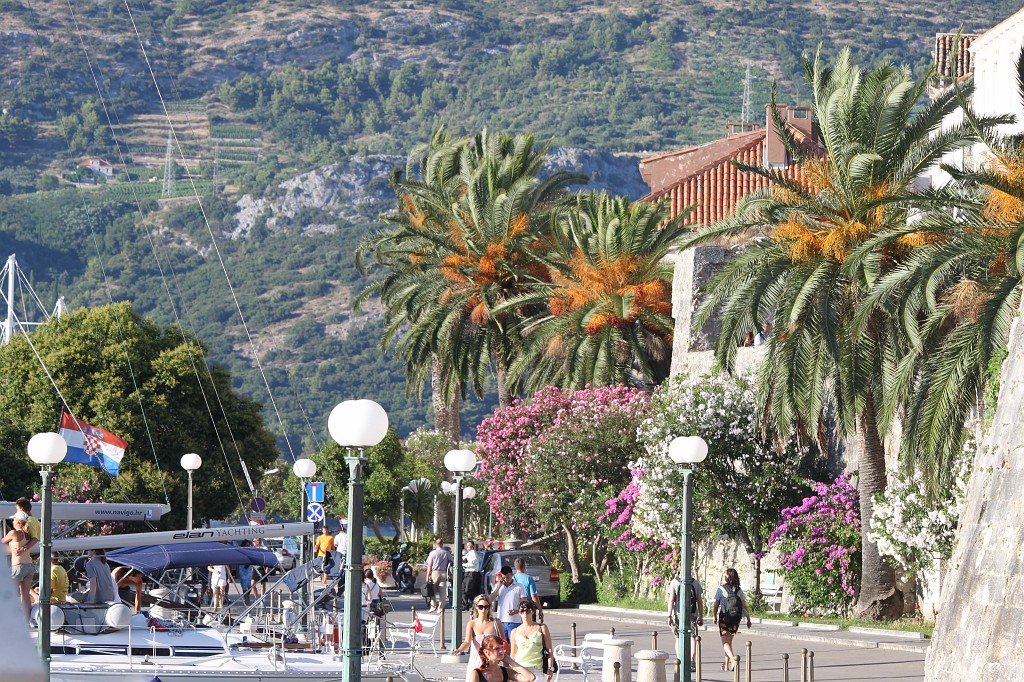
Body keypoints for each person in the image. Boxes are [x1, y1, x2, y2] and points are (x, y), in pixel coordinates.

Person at [452, 594, 504, 682]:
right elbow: (467, 642)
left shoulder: (496, 622)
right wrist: (459, 650)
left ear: (489, 607)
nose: (483, 610)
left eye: (486, 607)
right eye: (481, 607)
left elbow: (503, 641)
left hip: (492, 661)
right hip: (476, 660)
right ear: (476, 607)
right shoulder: (472, 623)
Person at [712, 568, 751, 672]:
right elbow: (744, 606)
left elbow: (716, 605)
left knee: (724, 643)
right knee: (729, 642)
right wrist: (748, 619)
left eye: (725, 574)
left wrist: (714, 616)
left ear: (728, 577)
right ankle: (726, 665)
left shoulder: (721, 589)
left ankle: (733, 661)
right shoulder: (739, 590)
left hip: (725, 618)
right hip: (735, 620)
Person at [510, 599, 556, 681]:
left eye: (527, 610)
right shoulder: (515, 631)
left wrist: (550, 668)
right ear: (519, 613)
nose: (525, 613)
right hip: (520, 669)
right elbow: (513, 654)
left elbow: (549, 650)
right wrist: (511, 673)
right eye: (522, 611)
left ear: (533, 612)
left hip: (537, 668)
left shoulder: (541, 628)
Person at [668, 574, 704, 672]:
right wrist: (701, 616)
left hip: (678, 614)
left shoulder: (675, 582)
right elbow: (699, 601)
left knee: (678, 637)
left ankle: (679, 660)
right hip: (692, 613)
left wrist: (669, 616)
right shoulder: (695, 582)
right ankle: (691, 659)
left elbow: (671, 600)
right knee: (692, 636)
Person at [3, 515, 34, 619]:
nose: (12, 522)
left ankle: (9, 618)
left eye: (14, 520)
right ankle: (27, 619)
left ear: (18, 522)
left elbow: (2, 540)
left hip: (18, 566)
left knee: (10, 594)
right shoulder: (29, 534)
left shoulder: (13, 533)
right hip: (29, 566)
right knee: (25, 596)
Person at [489, 566, 528, 642]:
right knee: (501, 644)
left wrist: (517, 611)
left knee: (514, 643)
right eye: (504, 578)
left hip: (515, 621)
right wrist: (498, 587)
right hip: (501, 621)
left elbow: (524, 602)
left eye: (508, 577)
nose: (506, 580)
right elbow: (490, 600)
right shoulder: (499, 586)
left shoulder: (519, 586)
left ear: (512, 575)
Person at [425, 537, 454, 613]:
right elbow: (452, 561)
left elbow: (429, 565)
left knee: (432, 590)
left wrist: (427, 575)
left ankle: (433, 606)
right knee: (443, 592)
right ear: (442, 544)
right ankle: (440, 608)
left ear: (436, 544)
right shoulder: (446, 553)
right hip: (444, 573)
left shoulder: (432, 553)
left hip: (435, 572)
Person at [513, 558, 543, 622]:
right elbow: (534, 596)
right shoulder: (529, 578)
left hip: (516, 609)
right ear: (524, 567)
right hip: (528, 607)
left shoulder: (512, 579)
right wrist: (540, 610)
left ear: (515, 567)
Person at [463, 540, 482, 610]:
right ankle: (465, 605)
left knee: (468, 590)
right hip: (467, 573)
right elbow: (463, 558)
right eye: (467, 545)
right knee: (463, 590)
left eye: (469, 545)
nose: (468, 547)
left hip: (472, 573)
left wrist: (463, 565)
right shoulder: (468, 553)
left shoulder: (473, 553)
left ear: (473, 546)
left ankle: (477, 601)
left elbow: (471, 564)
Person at [236, 540, 254, 606]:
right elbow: (238, 561)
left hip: (249, 569)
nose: (248, 546)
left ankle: (247, 595)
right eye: (246, 545)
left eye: (249, 545)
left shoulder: (250, 551)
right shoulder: (241, 551)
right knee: (244, 585)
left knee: (250, 586)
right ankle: (246, 598)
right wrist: (237, 572)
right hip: (242, 568)